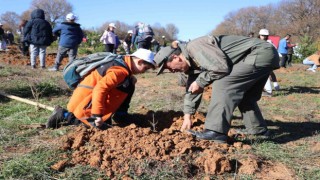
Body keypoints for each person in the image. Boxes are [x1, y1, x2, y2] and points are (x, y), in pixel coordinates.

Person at [154, 35, 280, 143]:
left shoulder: (195, 47)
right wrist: (187, 116)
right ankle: (258, 130)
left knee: (223, 84)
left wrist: (201, 81)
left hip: (259, 52)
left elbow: (220, 68)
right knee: (246, 96)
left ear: (176, 57)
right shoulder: (191, 63)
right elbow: (192, 89)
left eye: (168, 67)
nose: (171, 71)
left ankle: (215, 131)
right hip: (264, 54)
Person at [46, 48, 156, 129]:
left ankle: (119, 115)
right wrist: (96, 115)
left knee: (130, 84)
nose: (143, 72)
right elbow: (100, 89)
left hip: (86, 99)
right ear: (139, 61)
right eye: (145, 68)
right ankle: (63, 115)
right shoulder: (120, 71)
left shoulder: (121, 64)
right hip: (85, 105)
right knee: (98, 129)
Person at [258, 29, 280, 97]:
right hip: (260, 61)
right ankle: (273, 87)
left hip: (267, 61)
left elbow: (275, 51)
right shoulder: (257, 42)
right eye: (262, 35)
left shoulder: (269, 43)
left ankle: (269, 91)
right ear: (259, 35)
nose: (264, 37)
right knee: (267, 74)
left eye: (265, 36)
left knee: (266, 74)